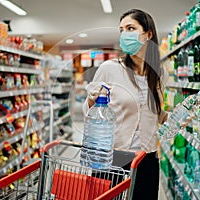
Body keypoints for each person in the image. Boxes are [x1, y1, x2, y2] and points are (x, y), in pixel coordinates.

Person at [82, 9, 168, 200]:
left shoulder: (160, 73)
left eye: (131, 28)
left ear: (148, 34)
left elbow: (154, 113)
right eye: (122, 30)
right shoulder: (109, 69)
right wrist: (90, 100)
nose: (125, 34)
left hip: (147, 158)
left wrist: (171, 117)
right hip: (113, 157)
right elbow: (89, 113)